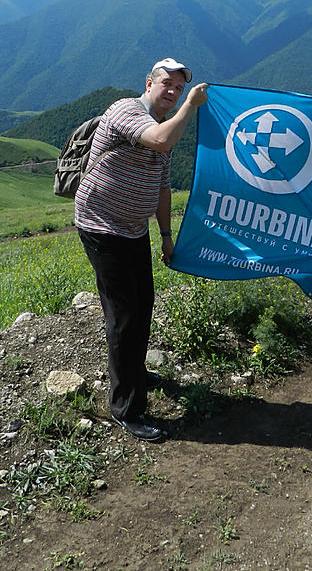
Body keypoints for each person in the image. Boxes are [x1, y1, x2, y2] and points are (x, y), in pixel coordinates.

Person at [76, 58, 209, 441]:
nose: (171, 92)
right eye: (166, 84)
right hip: (101, 224)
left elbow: (163, 187)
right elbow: (160, 140)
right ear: (148, 82)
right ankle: (126, 408)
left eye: (179, 88)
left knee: (143, 302)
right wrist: (190, 107)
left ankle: (134, 370)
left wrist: (166, 235)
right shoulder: (125, 110)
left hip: (133, 229)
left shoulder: (164, 124)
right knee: (123, 315)